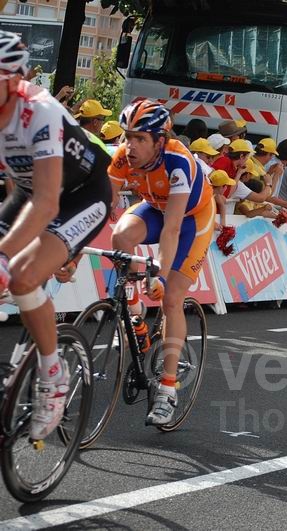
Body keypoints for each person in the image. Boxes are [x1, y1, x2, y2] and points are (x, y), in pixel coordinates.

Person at [0, 31, 112, 439]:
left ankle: (53, 374)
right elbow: (18, 187)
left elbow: (47, 204)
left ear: (14, 81)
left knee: (25, 274)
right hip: (28, 192)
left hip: (81, 196)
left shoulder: (39, 111)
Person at [108, 99, 215, 425]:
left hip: (191, 222)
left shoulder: (177, 161)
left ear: (160, 140)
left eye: (140, 138)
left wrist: (162, 275)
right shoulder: (123, 156)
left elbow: (172, 228)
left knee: (171, 299)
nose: (131, 145)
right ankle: (136, 317)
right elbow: (104, 204)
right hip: (154, 208)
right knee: (120, 238)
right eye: (128, 135)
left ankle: (168, 389)